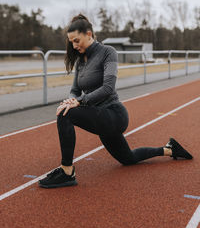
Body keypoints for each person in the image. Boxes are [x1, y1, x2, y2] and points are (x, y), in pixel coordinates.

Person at [38, 14, 193, 189]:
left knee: (65, 114)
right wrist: (71, 99)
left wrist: (79, 102)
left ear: (89, 34)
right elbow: (75, 88)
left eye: (76, 40)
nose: (74, 46)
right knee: (128, 159)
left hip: (114, 114)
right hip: (99, 116)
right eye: (71, 42)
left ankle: (67, 172)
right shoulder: (81, 61)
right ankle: (169, 149)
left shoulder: (108, 52)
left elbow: (108, 87)